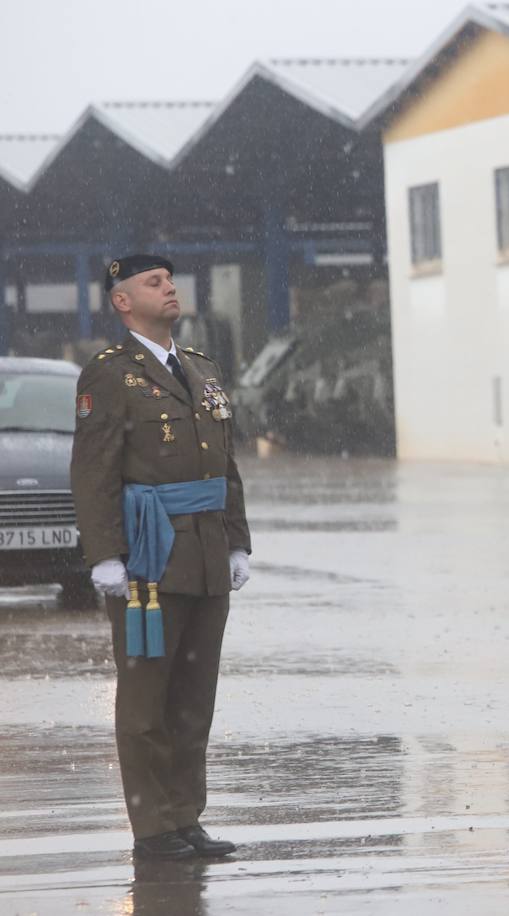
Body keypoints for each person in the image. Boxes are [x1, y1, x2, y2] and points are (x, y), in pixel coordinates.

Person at [71, 254, 251, 860]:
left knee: (194, 697)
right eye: (154, 282)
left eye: (171, 280)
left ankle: (185, 817)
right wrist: (104, 555)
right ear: (122, 301)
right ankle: (153, 829)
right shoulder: (109, 375)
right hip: (149, 556)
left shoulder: (202, 368)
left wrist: (237, 540)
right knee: (146, 698)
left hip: (206, 552)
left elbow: (225, 466)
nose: (169, 287)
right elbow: (92, 472)